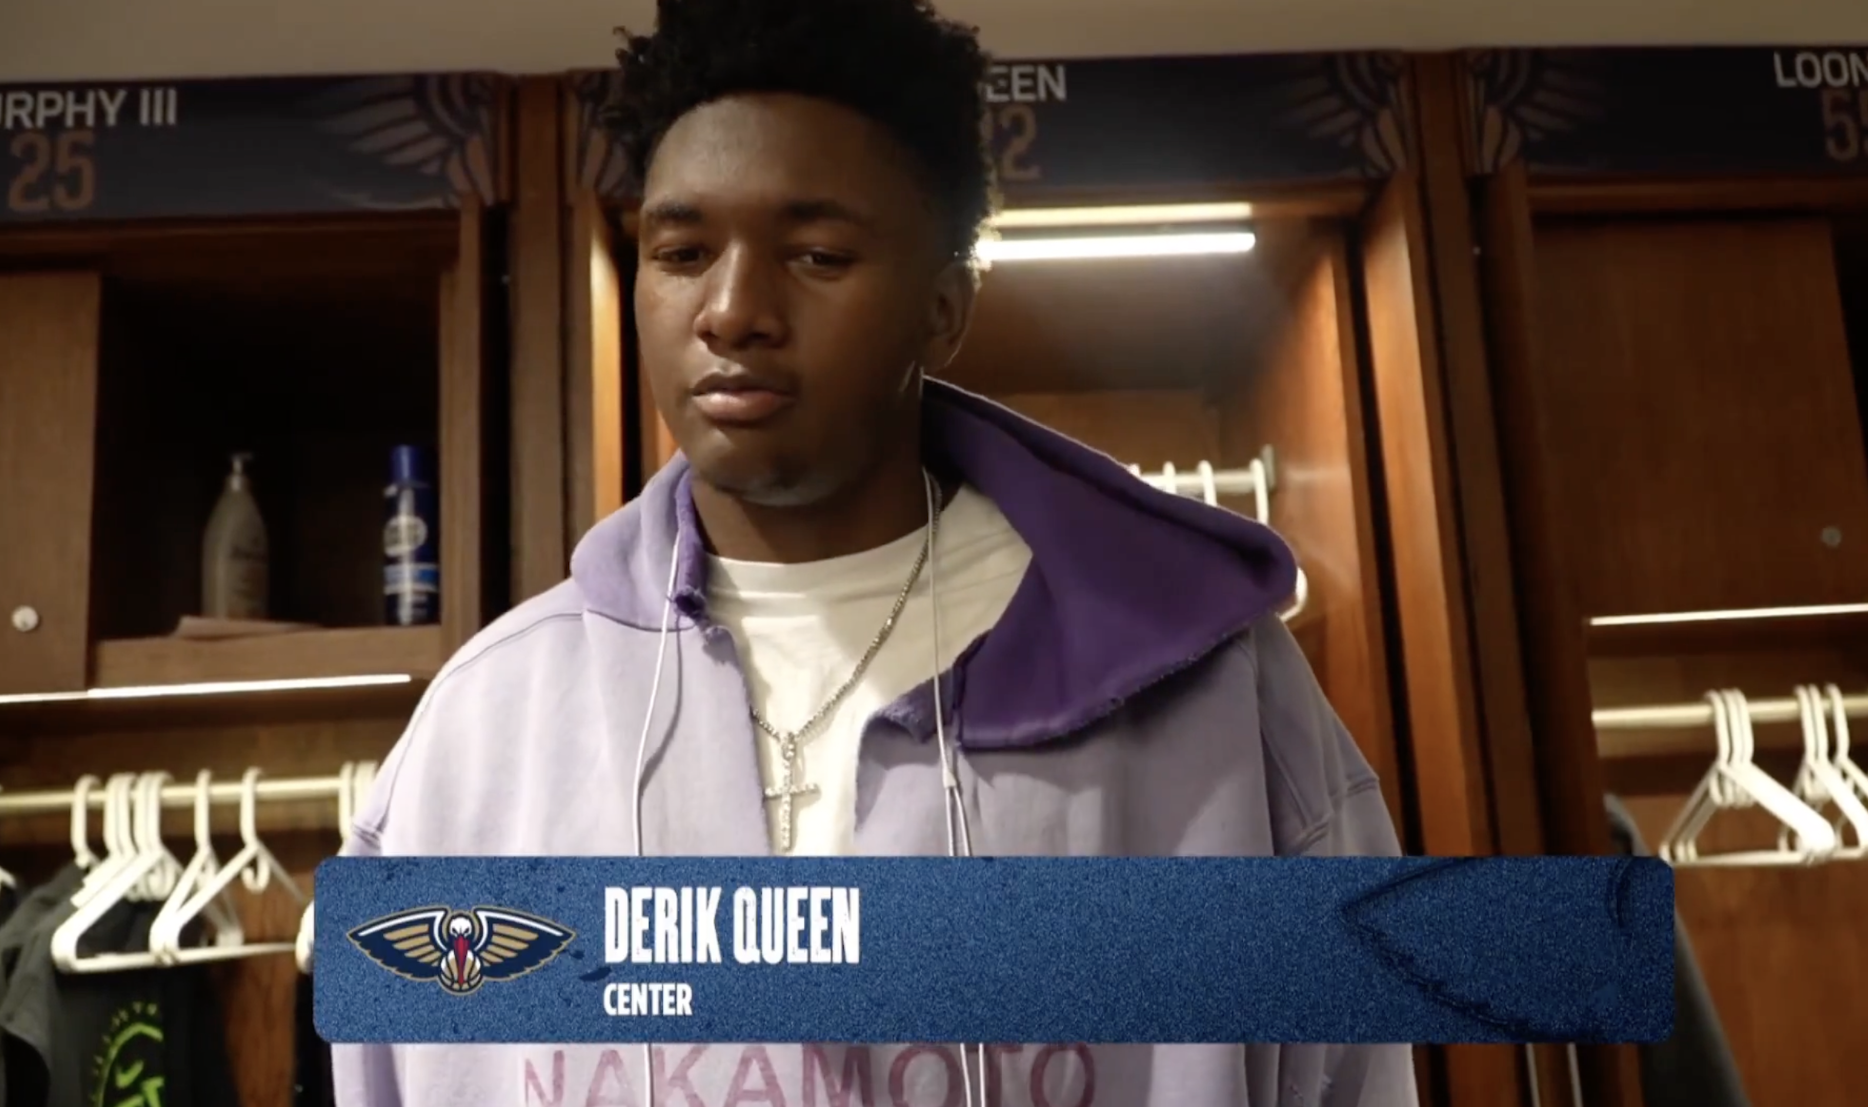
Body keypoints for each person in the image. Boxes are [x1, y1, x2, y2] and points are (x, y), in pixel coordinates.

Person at [332, 0, 1419, 1103]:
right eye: (682, 252)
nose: (731, 311)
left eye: (816, 254)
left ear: (942, 306)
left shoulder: (1215, 699)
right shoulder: (484, 730)